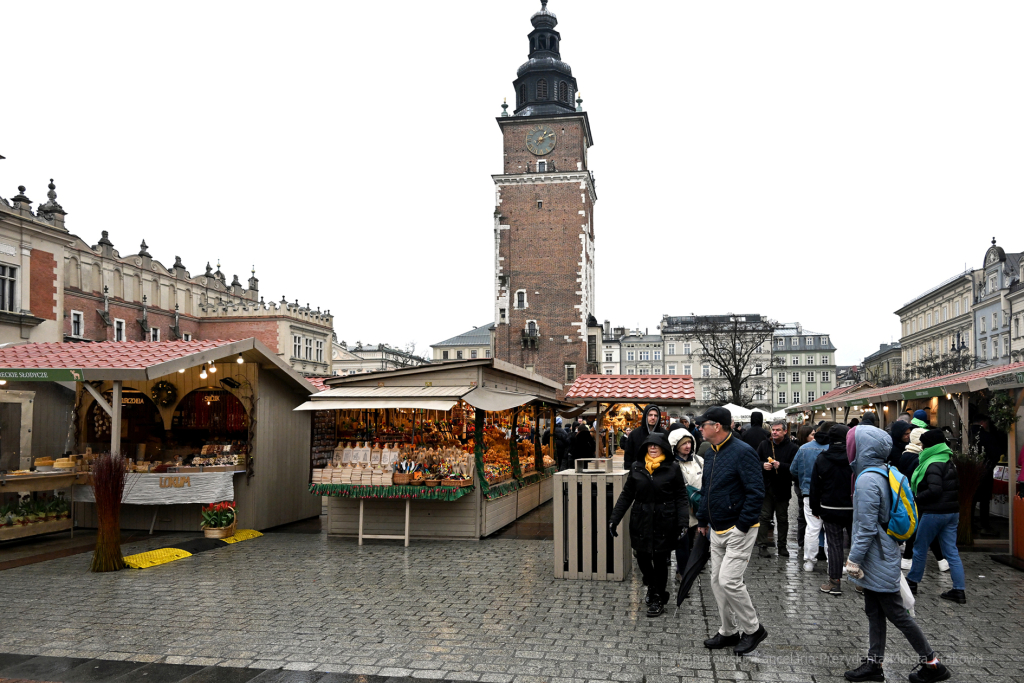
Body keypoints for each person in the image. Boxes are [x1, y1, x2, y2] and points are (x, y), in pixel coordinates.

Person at [844, 425, 951, 683]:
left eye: (852, 443)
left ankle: (933, 663)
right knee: (875, 610)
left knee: (896, 613)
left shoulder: (867, 479)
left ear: (862, 448)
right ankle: (874, 663)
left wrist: (853, 559)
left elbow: (866, 527)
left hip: (877, 556)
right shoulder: (883, 471)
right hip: (882, 552)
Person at [695, 406, 768, 656]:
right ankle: (728, 631)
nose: (699, 428)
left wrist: (742, 526)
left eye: (703, 424)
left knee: (729, 581)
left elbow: (756, 492)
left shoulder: (743, 452)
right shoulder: (711, 453)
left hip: (739, 529)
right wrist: (703, 520)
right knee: (717, 582)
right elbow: (706, 490)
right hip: (716, 528)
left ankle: (753, 629)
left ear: (717, 426)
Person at [609, 432, 687, 618]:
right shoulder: (637, 467)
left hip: (664, 520)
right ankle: (653, 585)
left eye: (656, 445)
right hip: (641, 519)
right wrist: (614, 518)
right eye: (649, 445)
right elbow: (627, 495)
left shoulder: (672, 468)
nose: (652, 448)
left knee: (660, 559)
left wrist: (683, 522)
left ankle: (657, 596)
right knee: (642, 556)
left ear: (663, 448)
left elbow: (681, 496)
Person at [906, 429, 967, 605]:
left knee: (920, 547)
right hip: (952, 512)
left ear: (929, 445)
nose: (921, 447)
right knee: (951, 551)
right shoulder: (948, 461)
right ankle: (959, 590)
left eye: (923, 444)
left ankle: (912, 582)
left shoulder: (932, 463)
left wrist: (916, 498)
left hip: (934, 512)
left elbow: (935, 490)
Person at [809, 424, 853, 595]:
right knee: (857, 544)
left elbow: (815, 486)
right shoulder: (854, 458)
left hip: (829, 507)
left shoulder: (822, 458)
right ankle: (860, 582)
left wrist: (815, 507)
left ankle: (834, 582)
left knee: (834, 545)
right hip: (852, 507)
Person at [897, 428, 946, 571]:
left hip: (914, 496)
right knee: (923, 529)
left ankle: (938, 559)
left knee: (923, 529)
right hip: (920, 497)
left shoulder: (906, 454)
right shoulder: (918, 458)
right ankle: (911, 559)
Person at [755, 419, 799, 558]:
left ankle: (782, 546)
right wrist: (763, 465)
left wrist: (782, 466)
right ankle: (762, 545)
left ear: (785, 431)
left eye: (778, 430)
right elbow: (754, 462)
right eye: (773, 430)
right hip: (766, 487)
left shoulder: (792, 448)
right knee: (764, 517)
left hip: (783, 487)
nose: (774, 432)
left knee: (782, 518)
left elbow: (795, 468)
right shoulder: (764, 445)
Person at [791, 423, 831, 569]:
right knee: (829, 528)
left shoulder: (803, 448)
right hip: (829, 493)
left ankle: (809, 562)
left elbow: (793, 470)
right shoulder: (832, 449)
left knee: (812, 528)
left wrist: (803, 480)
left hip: (808, 492)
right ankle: (831, 561)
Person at [668, 428, 703, 581]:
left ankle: (684, 570)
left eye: (689, 442)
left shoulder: (698, 461)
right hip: (679, 512)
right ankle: (683, 574)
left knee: (690, 543)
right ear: (675, 445)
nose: (688, 446)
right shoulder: (670, 464)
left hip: (695, 510)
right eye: (684, 444)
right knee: (682, 543)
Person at [974, 415, 1005, 536]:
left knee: (970, 498)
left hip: (970, 473)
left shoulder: (967, 434)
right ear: (983, 423)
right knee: (984, 499)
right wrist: (990, 465)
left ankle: (969, 524)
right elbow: (996, 453)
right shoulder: (987, 436)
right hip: (985, 472)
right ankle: (984, 525)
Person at [789, 425, 817, 549]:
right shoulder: (802, 449)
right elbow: (793, 470)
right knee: (805, 516)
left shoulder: (802, 449)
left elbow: (793, 470)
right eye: (812, 434)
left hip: (802, 486)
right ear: (805, 436)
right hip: (804, 487)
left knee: (804, 516)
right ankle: (803, 541)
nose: (815, 437)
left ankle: (802, 541)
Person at [624, 405, 665, 472]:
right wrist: (629, 471)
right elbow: (628, 455)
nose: (653, 418)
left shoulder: (664, 434)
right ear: (646, 416)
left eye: (656, 415)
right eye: (650, 415)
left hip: (659, 472)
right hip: (638, 472)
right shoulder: (634, 434)